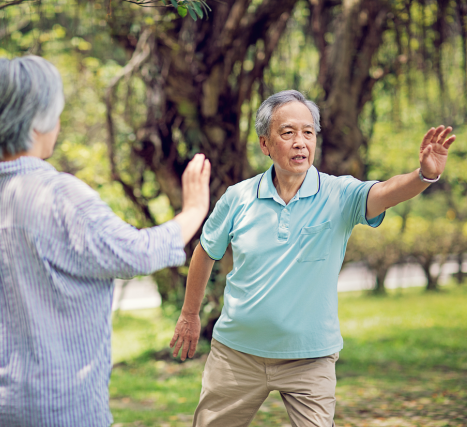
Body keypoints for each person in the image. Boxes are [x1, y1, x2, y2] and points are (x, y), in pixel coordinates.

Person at [0, 55, 211, 427]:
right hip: (56, 404)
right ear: (38, 121)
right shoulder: (59, 194)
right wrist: (191, 212)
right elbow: (135, 254)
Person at [169, 90, 456, 427]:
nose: (300, 142)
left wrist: (423, 176)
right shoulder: (238, 197)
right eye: (288, 133)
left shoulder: (339, 194)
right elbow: (206, 251)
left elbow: (384, 191)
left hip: (310, 358)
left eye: (308, 133)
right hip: (237, 354)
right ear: (265, 144)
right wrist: (189, 314)